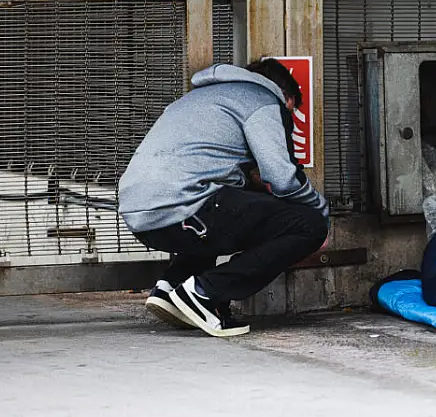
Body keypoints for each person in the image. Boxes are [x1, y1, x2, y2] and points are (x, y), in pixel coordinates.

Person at [118, 58, 329, 337]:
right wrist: (320, 210)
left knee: (228, 204)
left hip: (141, 215)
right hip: (186, 209)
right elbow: (280, 176)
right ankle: (205, 293)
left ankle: (172, 286)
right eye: (288, 113)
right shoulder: (263, 101)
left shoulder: (196, 99)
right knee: (308, 224)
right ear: (286, 97)